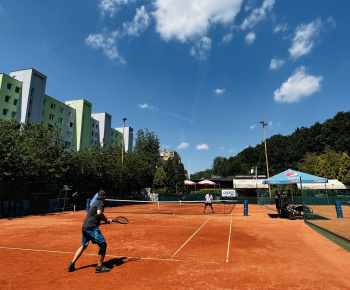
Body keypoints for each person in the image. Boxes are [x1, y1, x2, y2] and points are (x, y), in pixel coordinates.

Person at [67, 190, 112, 273]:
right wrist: (106, 220)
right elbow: (99, 213)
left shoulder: (94, 203)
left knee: (84, 245)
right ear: (104, 197)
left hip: (85, 227)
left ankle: (72, 263)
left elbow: (95, 217)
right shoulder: (100, 203)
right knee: (103, 245)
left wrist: (106, 221)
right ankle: (99, 267)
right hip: (92, 228)